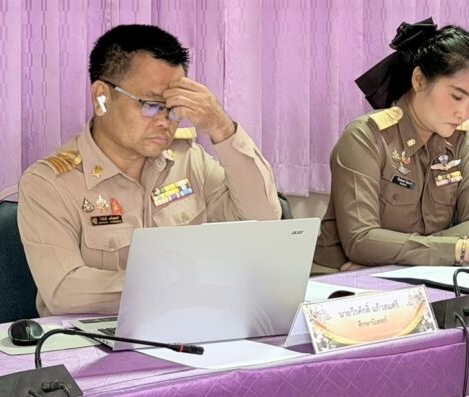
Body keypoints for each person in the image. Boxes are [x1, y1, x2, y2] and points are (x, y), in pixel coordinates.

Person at [18, 24, 282, 316]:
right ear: (101, 98)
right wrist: (178, 286)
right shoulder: (50, 183)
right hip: (97, 336)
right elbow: (64, 291)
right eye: (152, 105)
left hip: (190, 324)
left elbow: (264, 222)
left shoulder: (188, 160)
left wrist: (222, 128)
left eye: (174, 109)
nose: (165, 122)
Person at [313, 18, 469, 272]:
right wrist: (457, 250)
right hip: (338, 280)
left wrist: (398, 257)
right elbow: (361, 240)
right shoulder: (366, 138)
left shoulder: (461, 142)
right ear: (419, 80)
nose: (464, 112)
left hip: (409, 275)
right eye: (457, 96)